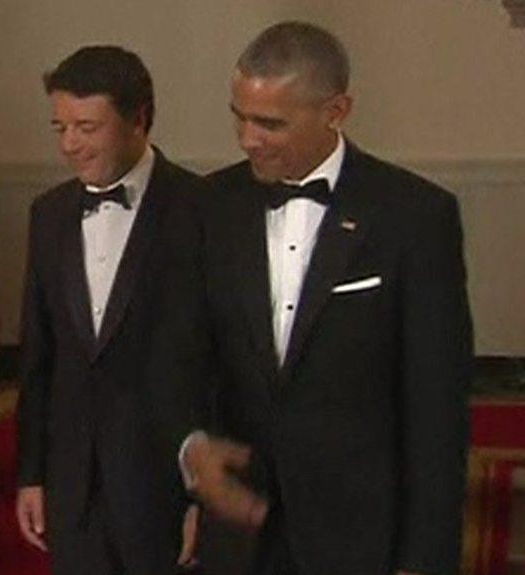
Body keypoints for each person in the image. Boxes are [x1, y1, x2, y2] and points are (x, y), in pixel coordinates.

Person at [184, 21, 473, 574]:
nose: (248, 139)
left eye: (270, 123)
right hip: (241, 533)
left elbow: (437, 407)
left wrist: (425, 558)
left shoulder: (414, 217)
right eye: (239, 116)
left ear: (336, 111)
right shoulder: (210, 206)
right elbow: (184, 358)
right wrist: (190, 448)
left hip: (359, 534)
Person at [15, 46, 212, 575]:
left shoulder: (204, 210)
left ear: (139, 119)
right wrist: (31, 473)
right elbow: (39, 354)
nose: (70, 145)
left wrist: (206, 499)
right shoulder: (50, 214)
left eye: (87, 127)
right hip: (74, 485)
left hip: (164, 484)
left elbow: (222, 363)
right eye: (60, 128)